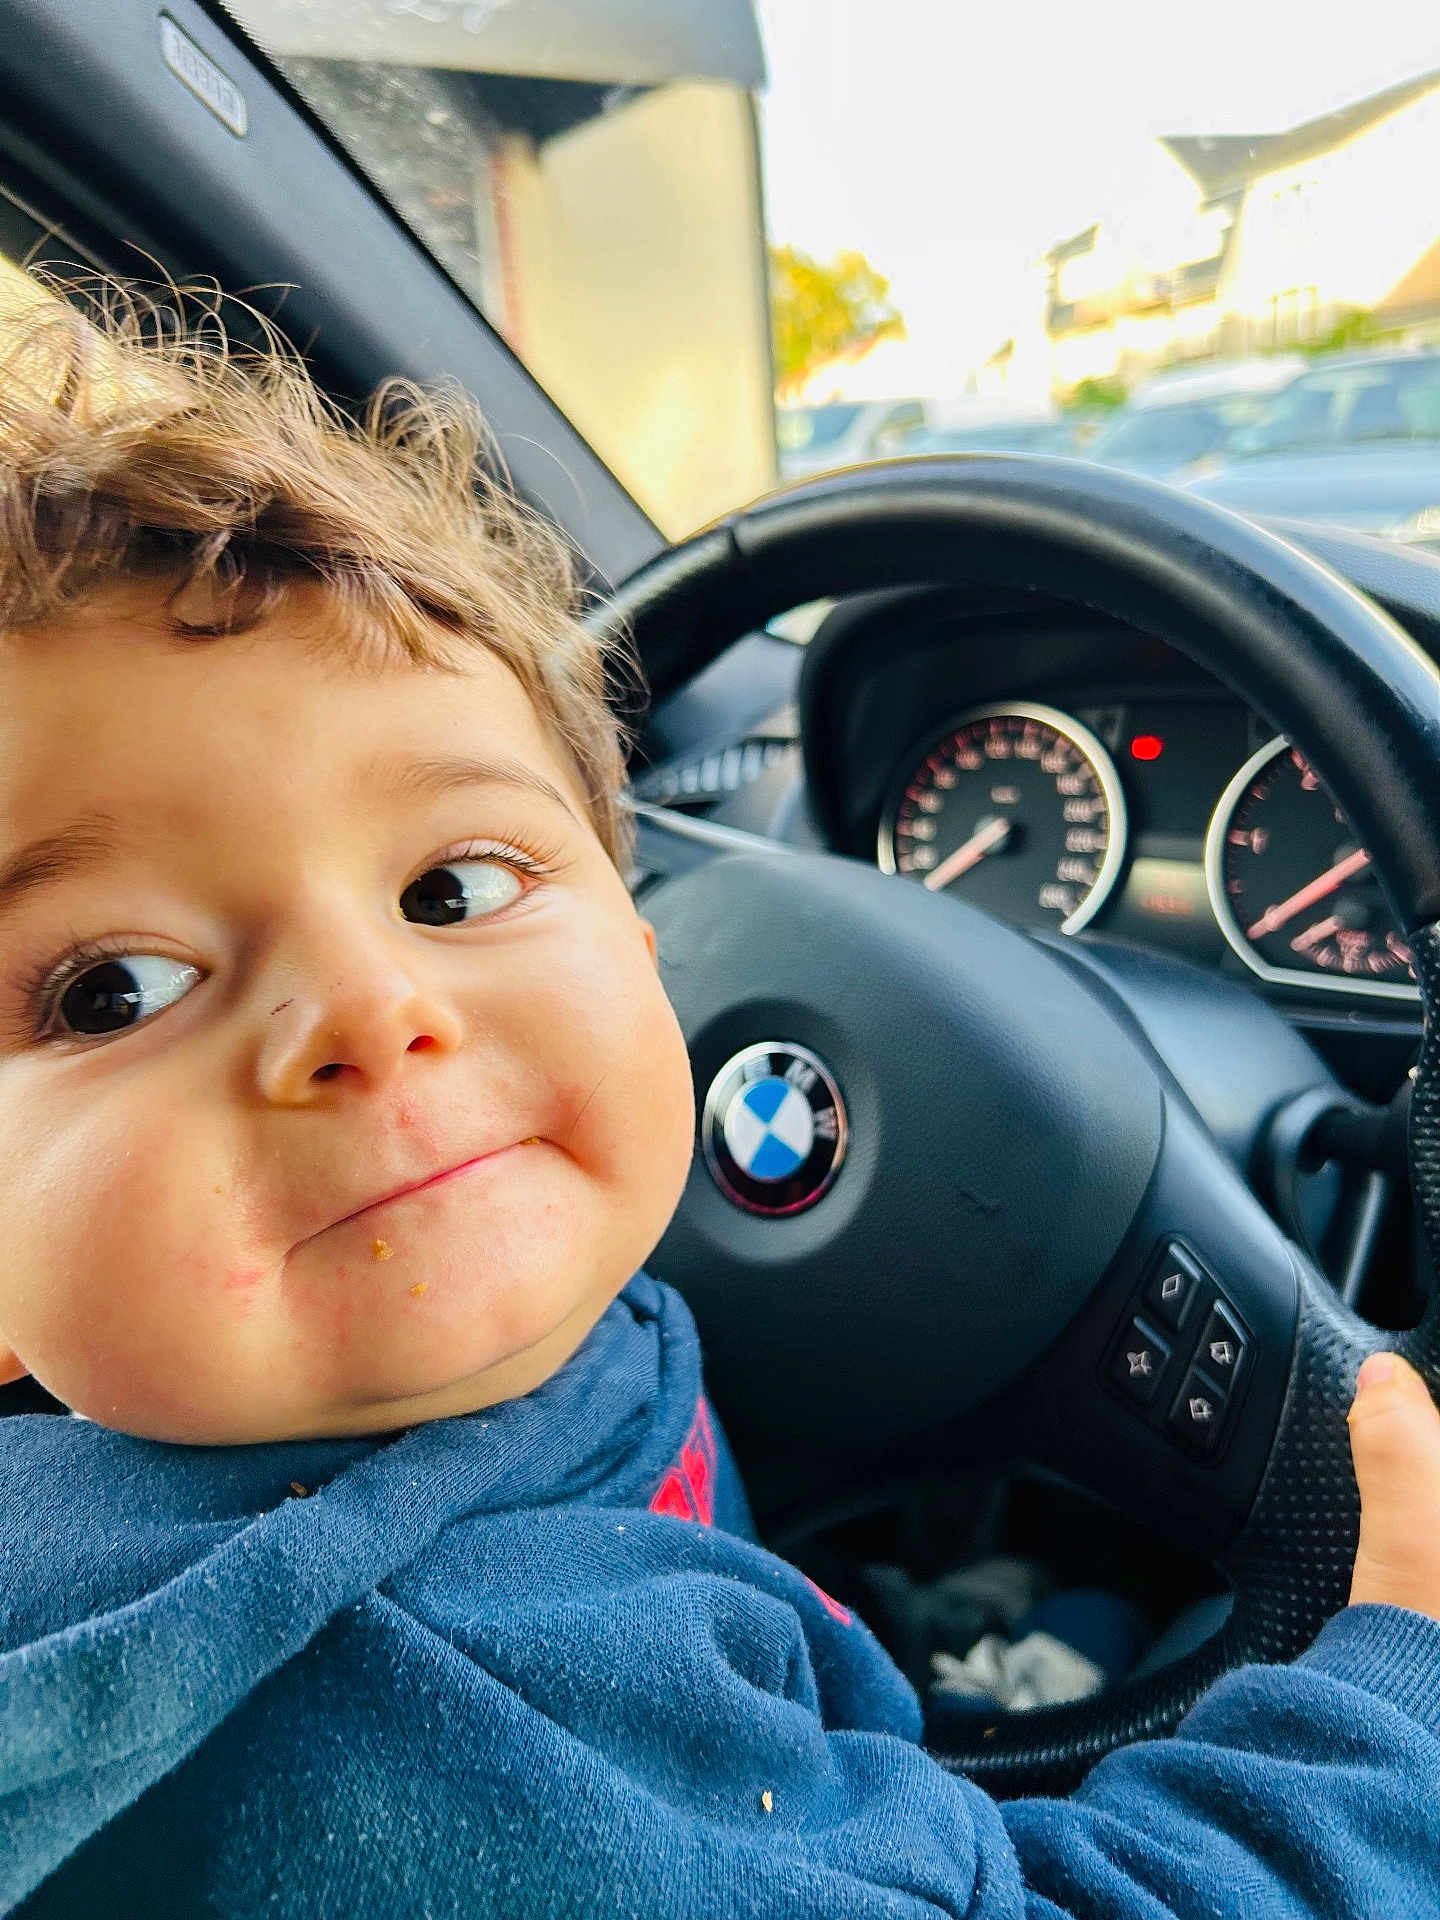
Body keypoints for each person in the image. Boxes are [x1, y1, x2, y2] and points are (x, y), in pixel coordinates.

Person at [0, 272, 1437, 1920]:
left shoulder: (401, 1389)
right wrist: (1394, 1696)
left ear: (642, 930)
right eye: (113, 988)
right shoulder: (422, 1725)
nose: (376, 1012)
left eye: (458, 888)